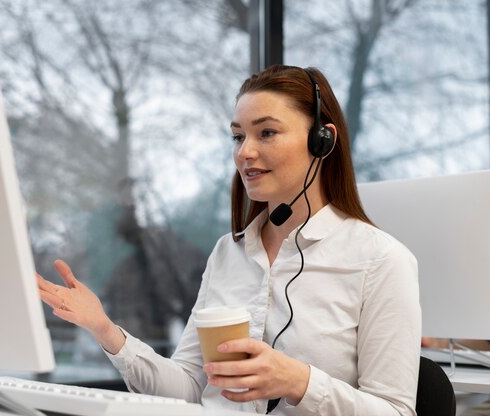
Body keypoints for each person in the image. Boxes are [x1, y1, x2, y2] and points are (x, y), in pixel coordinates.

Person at [36, 65, 421, 415]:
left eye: (266, 132)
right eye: (238, 136)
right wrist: (104, 329)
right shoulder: (229, 252)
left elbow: (397, 412)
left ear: (322, 140)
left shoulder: (381, 261)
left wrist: (299, 382)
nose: (245, 152)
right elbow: (190, 387)